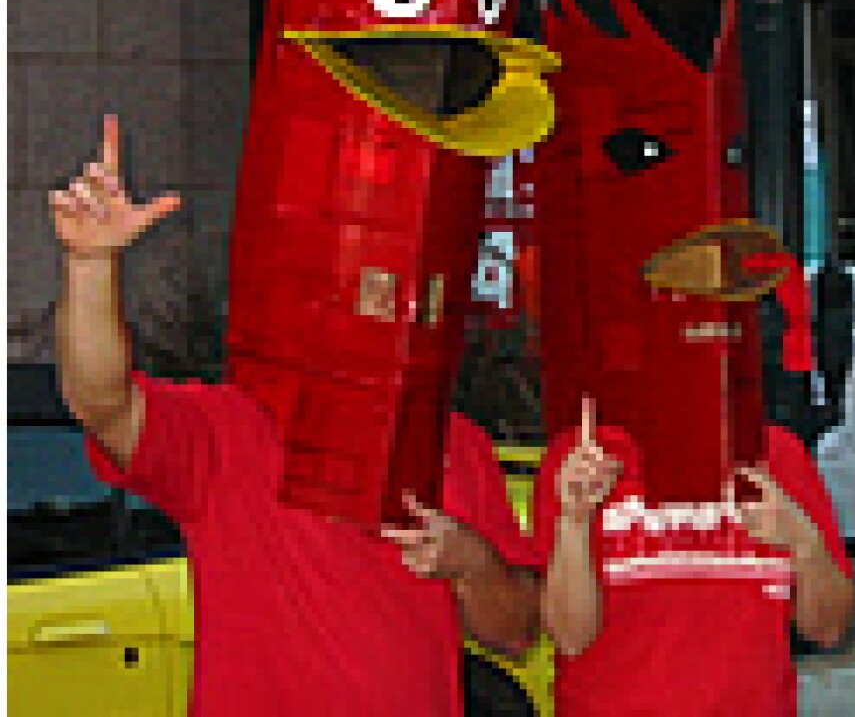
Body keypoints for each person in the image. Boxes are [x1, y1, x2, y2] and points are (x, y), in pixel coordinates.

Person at [51, 115, 539, 717]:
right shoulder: (233, 431)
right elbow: (100, 402)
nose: (396, 305)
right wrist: (90, 266)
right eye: (374, 284)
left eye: (413, 286)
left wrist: (471, 560)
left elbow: (514, 631)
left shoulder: (455, 444)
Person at [534, 396, 854, 716]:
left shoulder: (778, 455)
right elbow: (570, 637)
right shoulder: (582, 461)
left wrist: (804, 545)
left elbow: (827, 629)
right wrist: (574, 519)